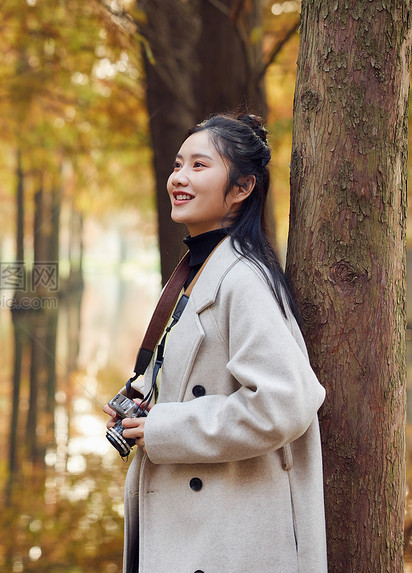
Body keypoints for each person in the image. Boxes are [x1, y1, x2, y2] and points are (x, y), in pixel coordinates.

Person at [103, 113, 327, 572]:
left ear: (242, 188)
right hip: (203, 523)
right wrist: (145, 405)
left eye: (199, 166)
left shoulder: (242, 278)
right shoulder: (198, 268)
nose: (178, 178)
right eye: (178, 164)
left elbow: (285, 401)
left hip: (230, 536)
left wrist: (166, 429)